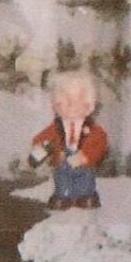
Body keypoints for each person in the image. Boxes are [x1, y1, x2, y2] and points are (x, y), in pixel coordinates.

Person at [30, 70, 107, 209]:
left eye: (75, 102)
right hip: (62, 163)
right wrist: (40, 148)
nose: (69, 107)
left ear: (89, 106)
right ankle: (62, 195)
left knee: (86, 181)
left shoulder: (93, 129)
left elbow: (99, 142)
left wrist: (86, 156)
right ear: (55, 106)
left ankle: (86, 195)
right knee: (61, 180)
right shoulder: (55, 128)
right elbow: (42, 138)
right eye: (62, 103)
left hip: (83, 164)